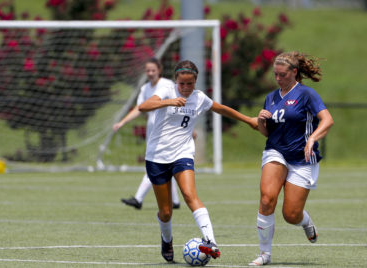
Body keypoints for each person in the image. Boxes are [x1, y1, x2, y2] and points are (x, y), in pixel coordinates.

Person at [138, 60, 258, 262]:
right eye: (182, 84)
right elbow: (143, 106)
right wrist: (168, 102)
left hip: (182, 154)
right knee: (166, 212)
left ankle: (210, 241)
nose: (185, 88)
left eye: (190, 84)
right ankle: (166, 240)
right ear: (176, 80)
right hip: (157, 156)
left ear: (195, 81)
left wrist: (249, 120)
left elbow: (221, 109)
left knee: (189, 194)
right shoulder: (167, 90)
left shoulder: (199, 98)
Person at [249, 51, 334, 266]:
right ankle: (264, 255)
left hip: (302, 158)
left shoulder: (307, 94)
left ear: (294, 72)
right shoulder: (271, 97)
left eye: (283, 75)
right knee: (267, 198)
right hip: (275, 151)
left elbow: (327, 120)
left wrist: (312, 138)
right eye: (275, 75)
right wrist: (261, 121)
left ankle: (305, 221)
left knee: (291, 214)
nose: (278, 79)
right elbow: (268, 133)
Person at [113, 58, 181, 210]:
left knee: (155, 164)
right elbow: (139, 108)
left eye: (153, 70)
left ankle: (138, 198)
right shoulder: (145, 89)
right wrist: (122, 122)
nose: (150, 73)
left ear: (159, 70)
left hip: (166, 131)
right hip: (153, 131)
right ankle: (175, 202)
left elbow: (179, 107)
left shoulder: (167, 85)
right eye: (148, 71)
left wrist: (186, 129)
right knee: (166, 164)